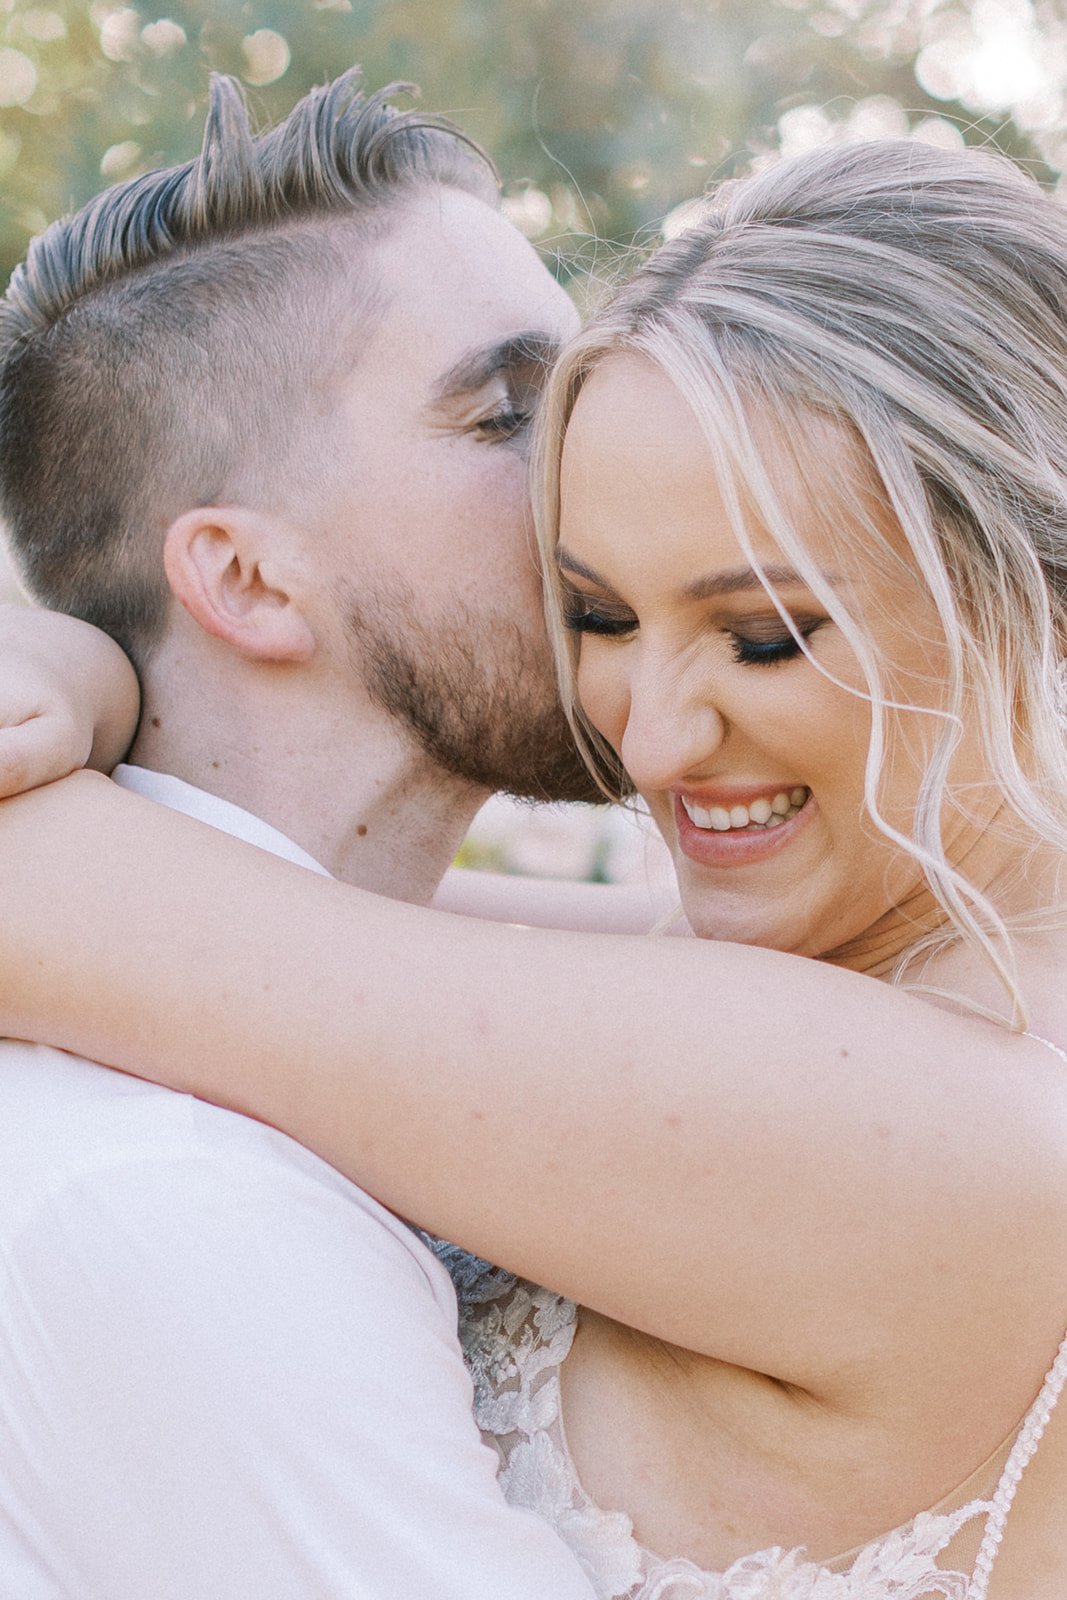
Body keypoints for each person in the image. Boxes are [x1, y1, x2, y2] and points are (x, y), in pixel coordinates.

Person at [2, 138, 1067, 1599]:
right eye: (600, 612)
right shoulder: (863, 998)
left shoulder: (943, 1126)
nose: (655, 732)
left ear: (1041, 601)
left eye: (765, 635)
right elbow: (348, 926)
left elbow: (77, 912)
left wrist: (79, 668)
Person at [0, 65, 614, 1600]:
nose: (606, 470)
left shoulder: (336, 1044)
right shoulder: (182, 1199)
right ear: (252, 582)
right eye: (512, 412)